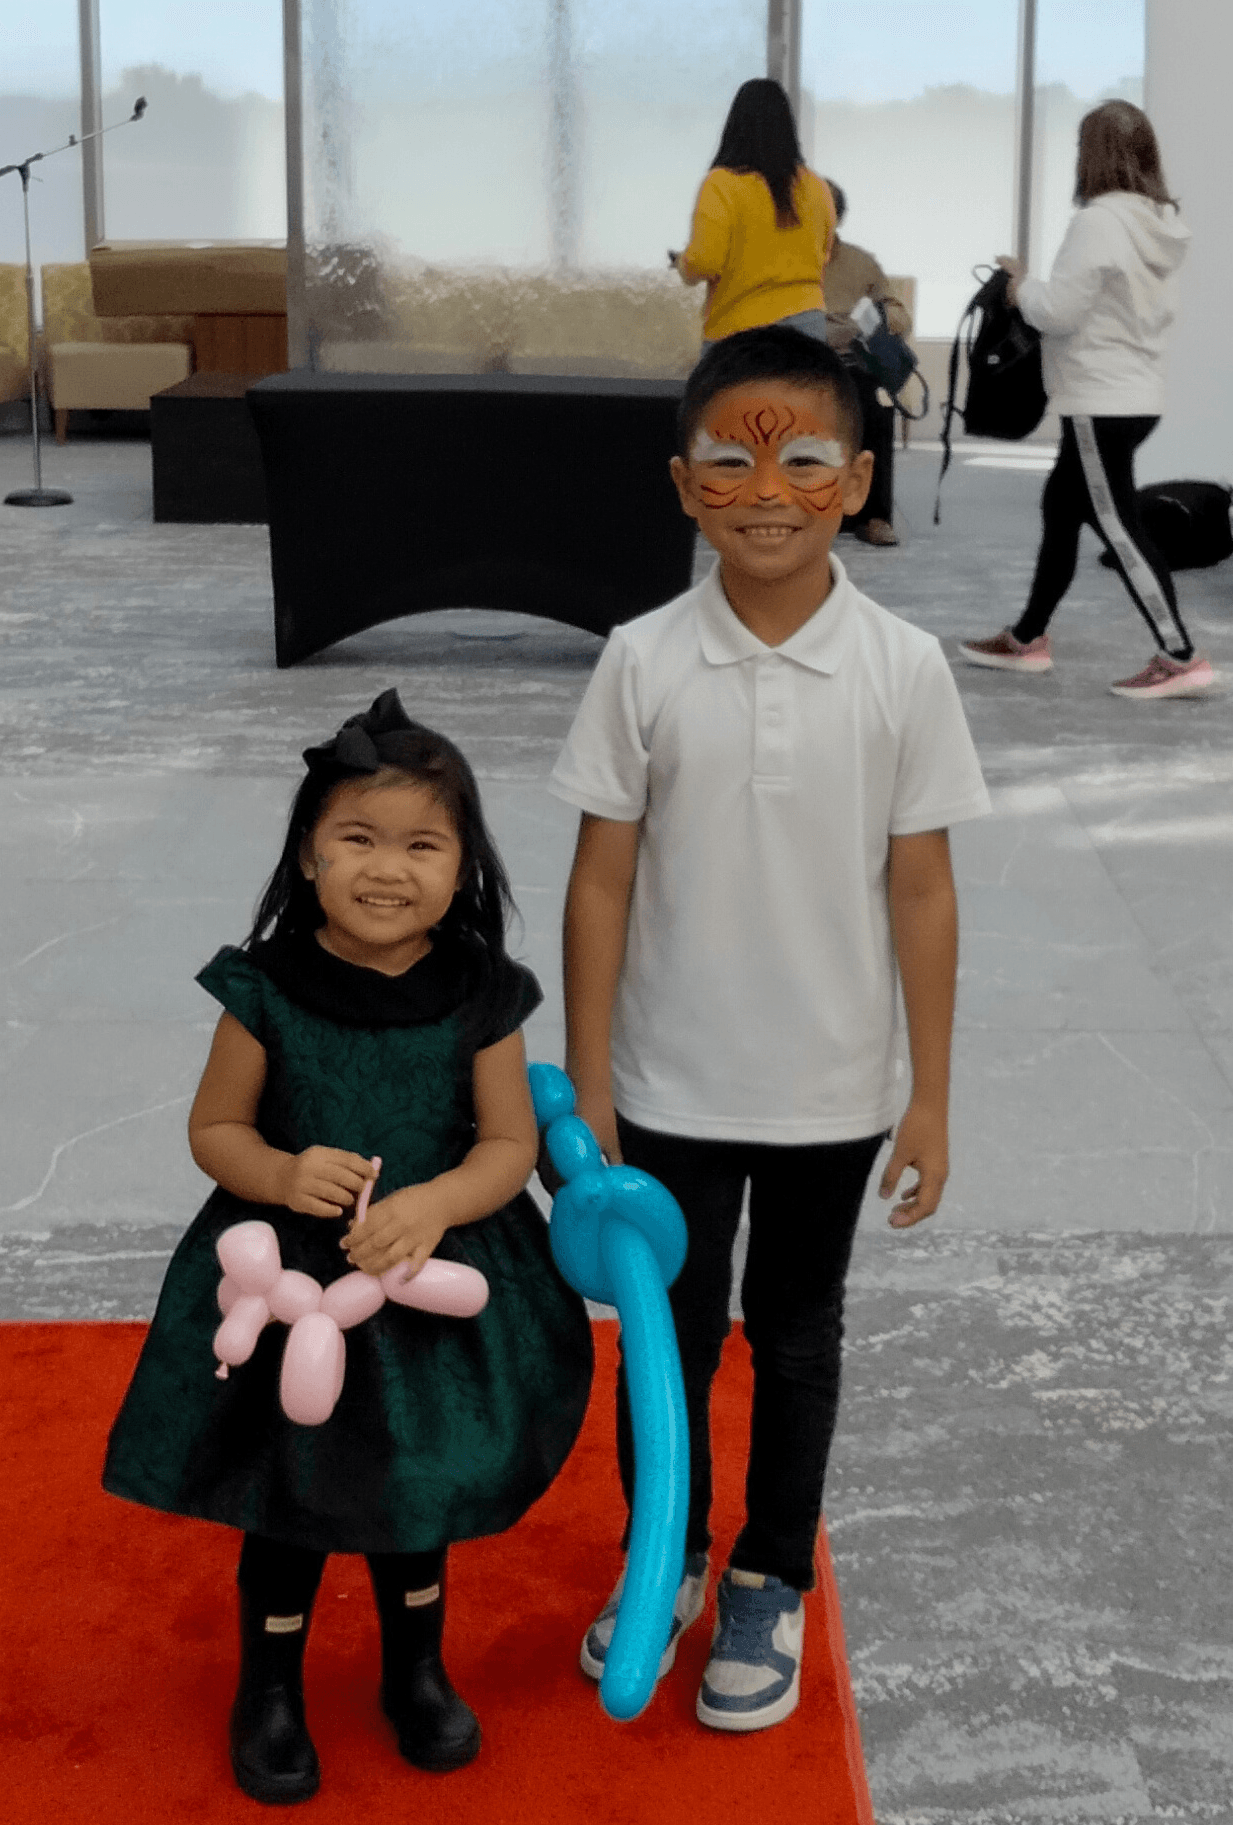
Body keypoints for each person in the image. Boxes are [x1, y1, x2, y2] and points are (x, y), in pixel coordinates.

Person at [551, 327, 991, 1734]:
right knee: (666, 1341)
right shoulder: (639, 659)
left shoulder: (904, 667)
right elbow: (600, 880)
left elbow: (921, 887)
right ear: (684, 484)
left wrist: (929, 1093)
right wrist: (593, 1079)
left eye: (803, 461)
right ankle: (667, 1549)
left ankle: (768, 1572)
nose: (765, 492)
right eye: (729, 464)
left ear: (854, 481)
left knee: (798, 1336)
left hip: (830, 1090)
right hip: (665, 1083)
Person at [103, 691, 593, 1805]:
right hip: (289, 1286)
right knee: (288, 1488)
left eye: (423, 845)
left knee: (416, 1483)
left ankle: (414, 1668)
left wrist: (436, 1202)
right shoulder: (265, 986)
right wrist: (280, 1175)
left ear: (463, 866)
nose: (388, 868)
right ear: (309, 855)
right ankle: (269, 1686)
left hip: (427, 1280)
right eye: (358, 838)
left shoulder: (483, 991)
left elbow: (509, 1144)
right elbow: (214, 1128)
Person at [960, 99, 1216, 700]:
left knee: (1118, 526)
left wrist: (1019, 287)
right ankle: (1027, 638)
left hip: (1100, 402)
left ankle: (1180, 656)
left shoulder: (1099, 222)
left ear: (1091, 156)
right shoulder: (1158, 225)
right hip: (1135, 395)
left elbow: (1058, 311)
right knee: (1061, 509)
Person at [669, 77, 836, 347]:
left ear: (735, 126)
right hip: (808, 328)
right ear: (788, 127)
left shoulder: (722, 184)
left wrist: (683, 264)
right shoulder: (816, 187)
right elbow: (825, 254)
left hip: (741, 334)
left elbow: (705, 261)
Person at [822, 177, 910, 548]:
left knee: (876, 405)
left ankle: (875, 516)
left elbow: (898, 314)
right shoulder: (776, 260)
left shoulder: (860, 263)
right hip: (794, 364)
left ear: (837, 218)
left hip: (850, 363)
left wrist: (870, 322)